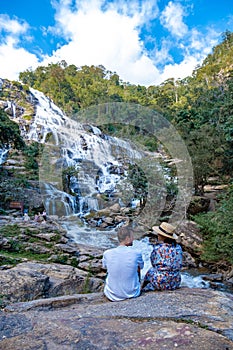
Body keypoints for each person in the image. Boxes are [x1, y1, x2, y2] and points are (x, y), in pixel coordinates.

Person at [102, 225, 144, 302]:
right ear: (127, 238)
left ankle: (115, 287)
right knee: (136, 267)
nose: (133, 239)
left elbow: (105, 267)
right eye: (132, 237)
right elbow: (141, 267)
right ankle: (131, 287)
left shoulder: (107, 253)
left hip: (111, 295)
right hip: (133, 294)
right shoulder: (137, 253)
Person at [141, 222, 182, 292]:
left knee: (150, 271)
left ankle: (141, 289)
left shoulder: (158, 248)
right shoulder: (178, 247)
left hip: (160, 281)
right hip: (176, 281)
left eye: (159, 234)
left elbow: (153, 263)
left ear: (163, 236)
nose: (157, 235)